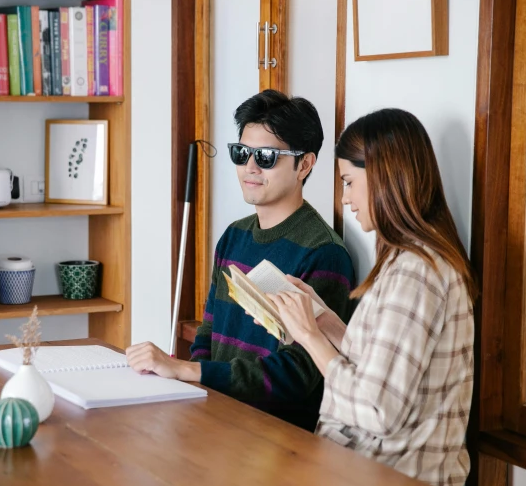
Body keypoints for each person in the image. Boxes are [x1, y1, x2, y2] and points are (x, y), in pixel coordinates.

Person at [266, 108, 476, 486]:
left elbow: (378, 409)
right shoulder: (406, 259)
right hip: (367, 480)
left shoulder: (418, 272)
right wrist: (324, 318)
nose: (344, 199)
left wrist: (310, 338)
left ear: (383, 177)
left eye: (348, 182)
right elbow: (383, 367)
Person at [126, 90, 355, 431]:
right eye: (241, 153)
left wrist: (189, 371)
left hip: (279, 438)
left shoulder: (323, 253)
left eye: (265, 157)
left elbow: (298, 375)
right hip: (218, 419)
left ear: (304, 164)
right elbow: (208, 332)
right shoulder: (234, 236)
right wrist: (198, 388)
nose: (249, 167)